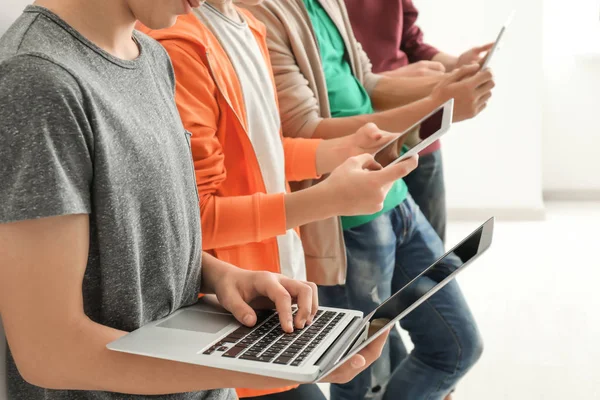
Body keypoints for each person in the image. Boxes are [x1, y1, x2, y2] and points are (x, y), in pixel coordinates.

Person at [0, 1, 395, 399]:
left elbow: (130, 233)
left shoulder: (150, 55)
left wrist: (222, 276)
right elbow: (48, 352)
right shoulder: (35, 81)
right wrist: (272, 364)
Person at [139, 0, 422, 398]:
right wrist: (327, 200)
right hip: (230, 310)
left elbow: (262, 150)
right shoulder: (178, 44)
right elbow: (195, 218)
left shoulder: (249, 26)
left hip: (275, 290)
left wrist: (339, 149)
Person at [244, 1, 494, 399]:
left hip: (397, 198)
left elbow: (367, 82)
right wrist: (436, 105)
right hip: (350, 222)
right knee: (360, 379)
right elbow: (306, 131)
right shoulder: (258, 13)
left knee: (457, 345)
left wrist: (445, 90)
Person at [344, 0, 494, 244]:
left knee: (432, 260)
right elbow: (326, 77)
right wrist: (409, 84)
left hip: (420, 133)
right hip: (361, 138)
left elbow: (410, 39)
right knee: (378, 266)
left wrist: (456, 65)